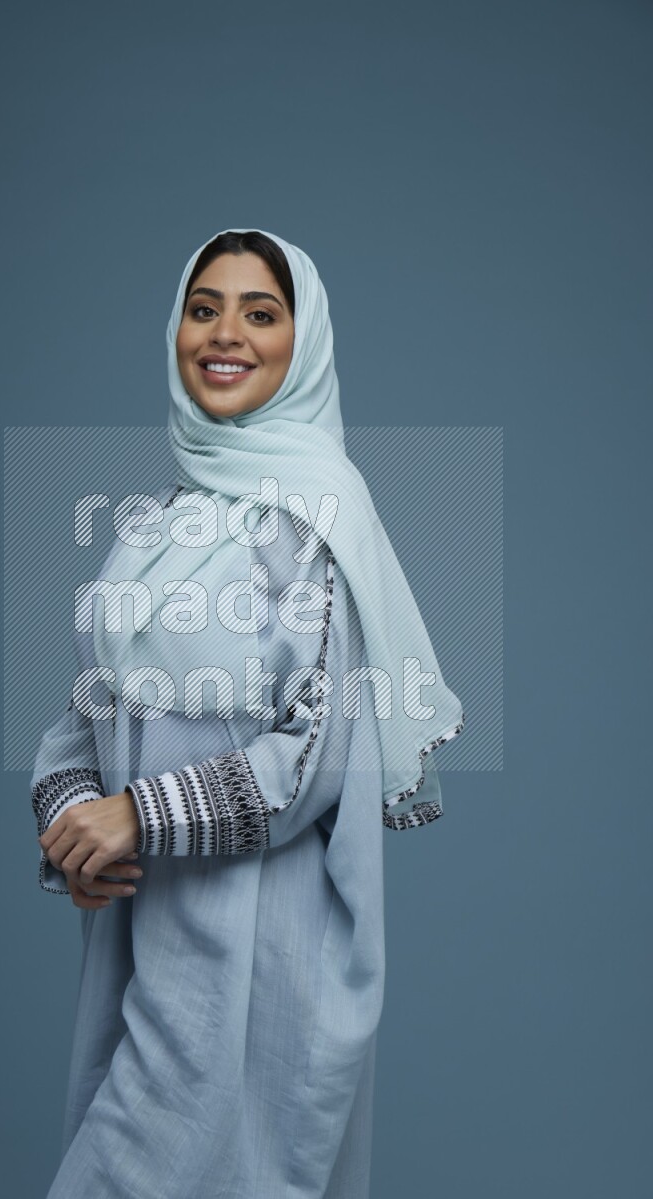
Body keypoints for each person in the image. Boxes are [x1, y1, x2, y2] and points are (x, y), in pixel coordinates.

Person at [30, 228, 465, 1198]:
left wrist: (135, 813)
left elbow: (315, 750)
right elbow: (87, 708)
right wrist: (73, 821)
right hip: (143, 936)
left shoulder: (315, 519)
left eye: (259, 313)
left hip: (258, 950)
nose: (224, 333)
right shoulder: (158, 523)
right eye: (203, 308)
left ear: (301, 344)